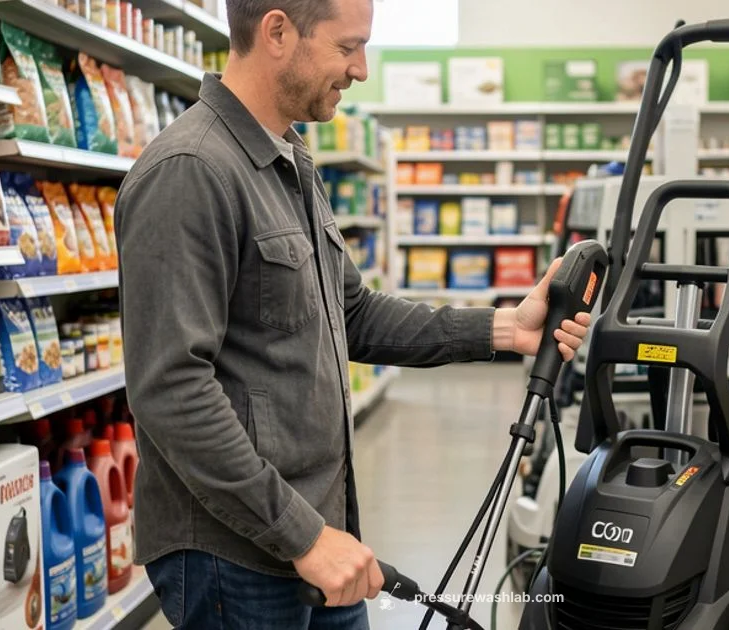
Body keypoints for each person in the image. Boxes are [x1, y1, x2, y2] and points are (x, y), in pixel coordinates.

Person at [113, 0, 592, 627]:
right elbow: (172, 391)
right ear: (278, 31)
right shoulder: (190, 172)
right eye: (347, 47)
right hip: (236, 553)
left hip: (320, 533)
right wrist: (302, 537)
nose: (361, 69)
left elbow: (353, 314)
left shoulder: (291, 162)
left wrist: (503, 328)